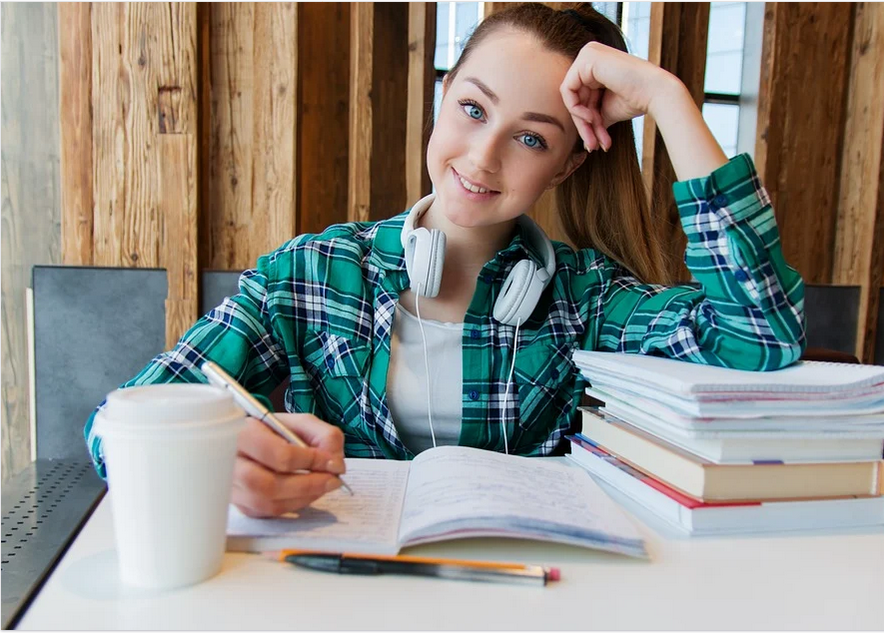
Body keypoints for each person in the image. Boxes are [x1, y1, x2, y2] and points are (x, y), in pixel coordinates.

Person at [84, 3, 806, 518]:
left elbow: (760, 335)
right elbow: (114, 427)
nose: (483, 156)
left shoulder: (585, 301)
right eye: (472, 108)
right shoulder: (307, 277)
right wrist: (215, 460)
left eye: (531, 139)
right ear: (441, 97)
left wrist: (668, 98)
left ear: (562, 167)